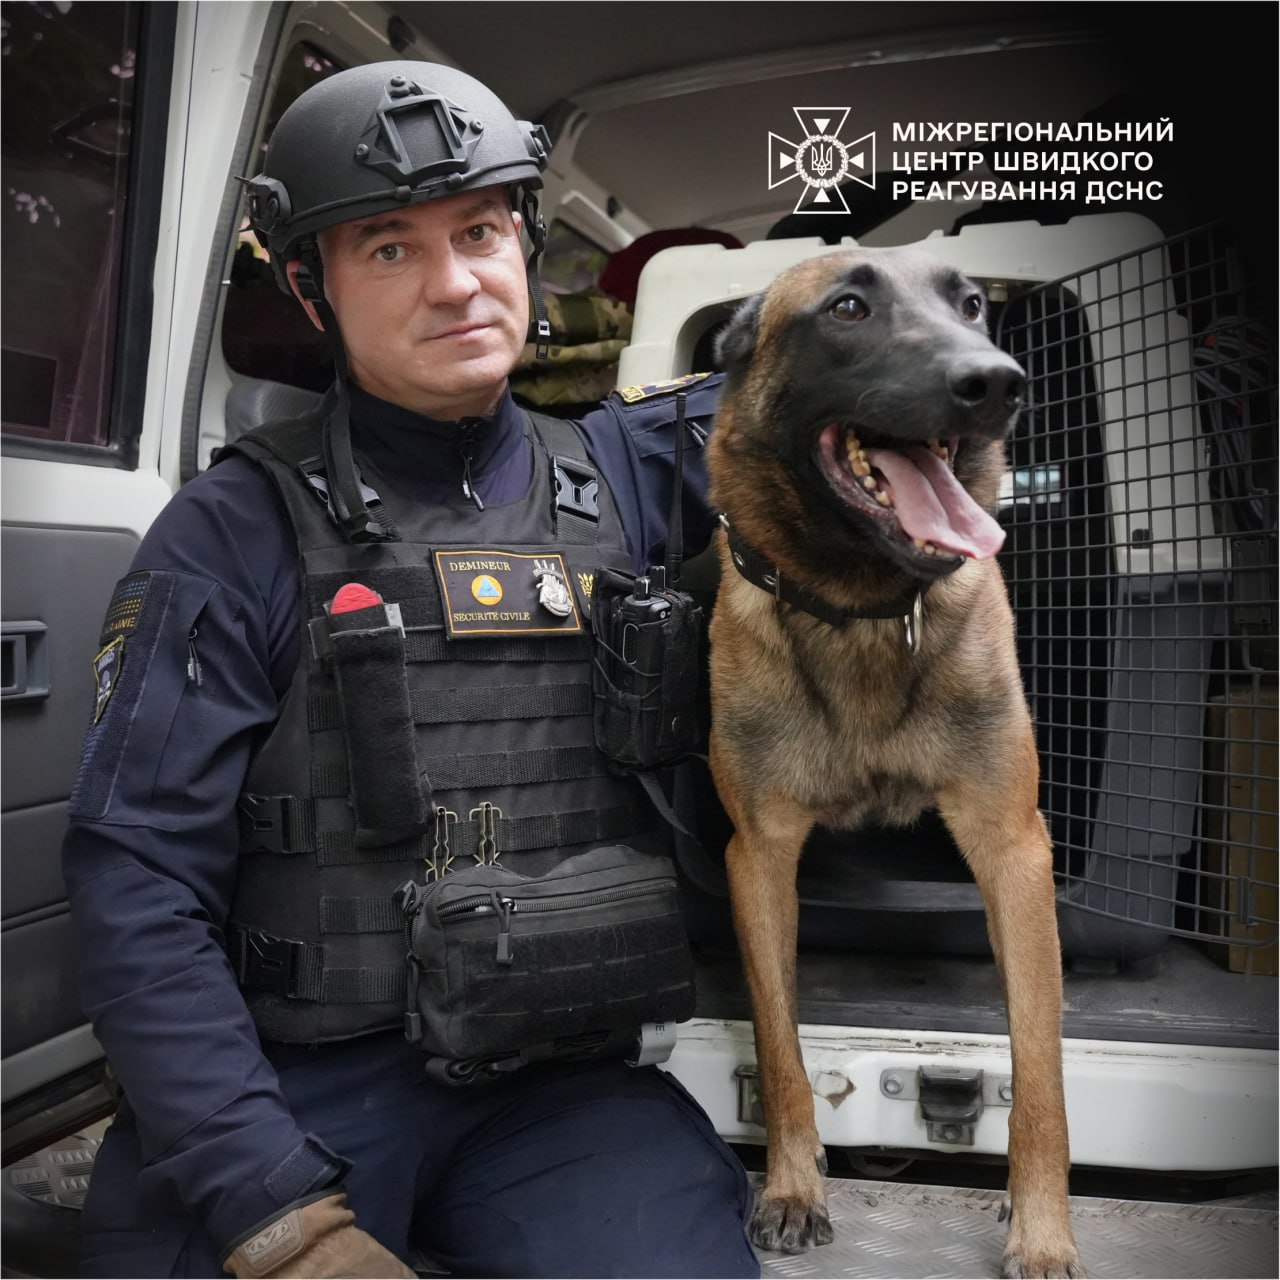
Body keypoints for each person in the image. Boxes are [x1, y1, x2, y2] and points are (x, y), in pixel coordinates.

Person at [62, 60, 753, 1279]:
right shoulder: (228, 532)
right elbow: (136, 884)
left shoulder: (623, 471)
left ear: (522, 243)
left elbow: (831, 398)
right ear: (309, 288)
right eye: (389, 248)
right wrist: (276, 1216)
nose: (454, 283)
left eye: (479, 231)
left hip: (557, 1098)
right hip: (291, 1087)